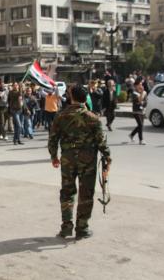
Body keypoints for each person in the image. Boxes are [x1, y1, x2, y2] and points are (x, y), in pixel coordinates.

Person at [48, 84, 111, 240]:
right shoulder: (92, 118)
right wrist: (107, 158)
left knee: (67, 192)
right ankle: (82, 228)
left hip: (68, 159)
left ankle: (66, 227)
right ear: (85, 98)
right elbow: (101, 142)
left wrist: (54, 156)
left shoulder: (61, 116)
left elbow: (53, 139)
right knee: (86, 193)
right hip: (87, 159)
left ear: (72, 97)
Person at [129, 79, 148, 145]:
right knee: (140, 125)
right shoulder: (134, 93)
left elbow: (145, 101)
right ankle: (141, 140)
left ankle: (131, 135)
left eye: (141, 84)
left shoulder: (144, 92)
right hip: (136, 111)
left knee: (140, 125)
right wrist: (142, 93)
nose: (141, 86)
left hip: (142, 110)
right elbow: (139, 101)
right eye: (139, 85)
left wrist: (144, 104)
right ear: (136, 86)